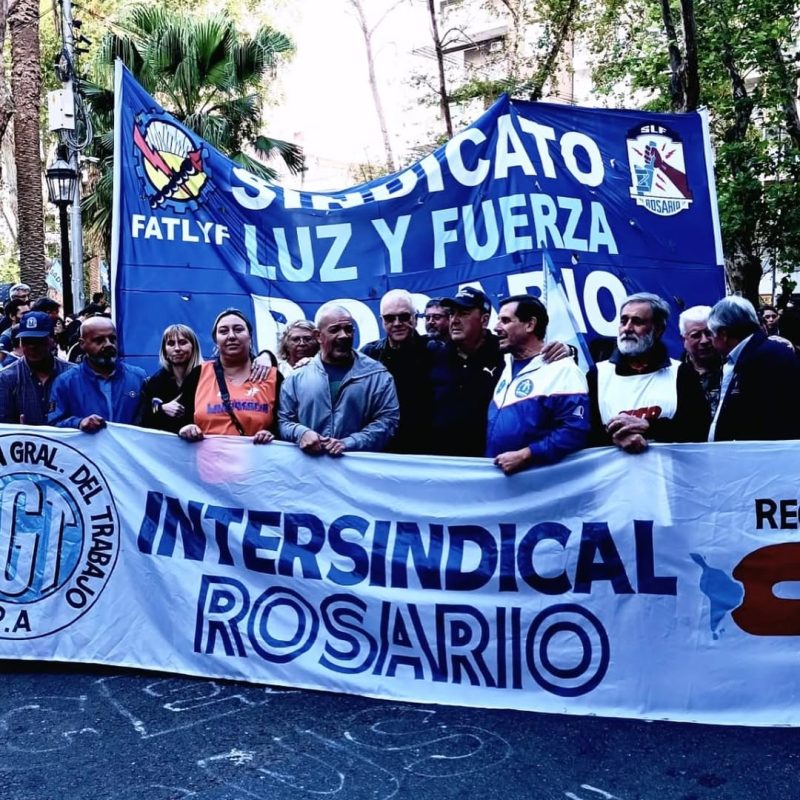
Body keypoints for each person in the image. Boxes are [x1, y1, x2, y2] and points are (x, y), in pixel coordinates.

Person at [587, 292, 709, 453]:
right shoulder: (598, 375)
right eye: (623, 321)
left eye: (637, 322)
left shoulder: (681, 374)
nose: (628, 328)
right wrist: (615, 438)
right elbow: (584, 433)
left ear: (658, 330)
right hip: (612, 476)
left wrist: (650, 428)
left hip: (668, 476)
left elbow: (698, 431)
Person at [486, 295, 590, 474]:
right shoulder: (507, 365)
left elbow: (575, 431)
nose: (496, 328)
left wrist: (527, 454)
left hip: (539, 483)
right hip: (501, 480)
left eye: (505, 320)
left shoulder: (563, 370)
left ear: (530, 325)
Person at [279, 303, 399, 454]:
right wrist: (301, 433)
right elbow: (284, 422)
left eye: (348, 329)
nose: (344, 335)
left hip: (358, 473)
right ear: (318, 336)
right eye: (335, 330)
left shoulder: (377, 375)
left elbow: (388, 421)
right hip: (309, 473)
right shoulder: (296, 378)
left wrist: (349, 443)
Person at [178, 309, 280, 444]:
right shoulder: (198, 375)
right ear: (216, 340)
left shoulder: (272, 376)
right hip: (207, 463)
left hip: (258, 463)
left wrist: (272, 434)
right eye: (223, 331)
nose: (231, 336)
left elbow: (286, 423)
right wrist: (185, 428)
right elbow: (178, 418)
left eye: (238, 330)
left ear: (250, 336)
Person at [707, 295, 800, 441]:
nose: (709, 341)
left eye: (711, 334)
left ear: (724, 334)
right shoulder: (751, 353)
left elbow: (774, 419)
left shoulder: (768, 359)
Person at [362, 289, 433, 453]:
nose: (397, 323)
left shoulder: (435, 350)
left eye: (404, 317)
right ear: (382, 321)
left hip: (427, 448)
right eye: (389, 318)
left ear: (415, 318)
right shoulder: (369, 355)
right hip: (385, 449)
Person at [48, 316, 147, 431]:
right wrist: (79, 423)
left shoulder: (138, 378)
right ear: (82, 344)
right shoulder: (66, 383)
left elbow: (149, 423)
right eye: (99, 340)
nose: (108, 344)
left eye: (112, 339)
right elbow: (53, 426)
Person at [0, 311, 74, 424]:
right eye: (27, 341)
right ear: (20, 343)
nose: (32, 347)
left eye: (38, 341)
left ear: (52, 340)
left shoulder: (72, 374)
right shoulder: (6, 378)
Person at [141, 324, 203, 433]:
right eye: (171, 343)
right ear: (164, 350)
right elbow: (144, 422)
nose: (177, 348)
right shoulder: (155, 382)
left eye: (183, 342)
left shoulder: (207, 377)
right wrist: (161, 409)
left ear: (194, 346)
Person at [679, 305, 722, 417]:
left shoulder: (732, 369)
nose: (704, 340)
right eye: (696, 335)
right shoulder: (675, 374)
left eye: (709, 333)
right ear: (684, 339)